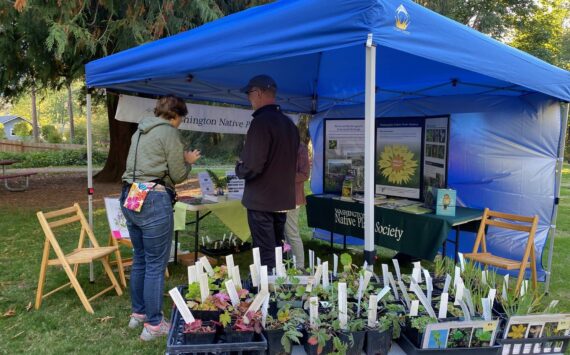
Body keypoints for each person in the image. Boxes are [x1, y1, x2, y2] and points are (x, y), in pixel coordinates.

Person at [120, 95, 201, 341]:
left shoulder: (139, 131)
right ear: (175, 115)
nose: (180, 124)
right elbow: (177, 176)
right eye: (181, 120)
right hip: (153, 198)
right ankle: (154, 325)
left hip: (131, 194)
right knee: (156, 262)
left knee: (141, 257)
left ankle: (139, 314)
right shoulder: (169, 133)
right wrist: (188, 162)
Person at [236, 75, 300, 270]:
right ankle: (279, 289)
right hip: (282, 199)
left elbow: (254, 165)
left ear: (258, 93)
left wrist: (240, 168)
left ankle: (267, 295)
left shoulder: (261, 123)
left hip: (262, 201)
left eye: (249, 94)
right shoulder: (289, 124)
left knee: (265, 252)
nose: (249, 98)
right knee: (277, 248)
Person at [284, 142, 310, 269]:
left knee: (291, 233)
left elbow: (305, 174)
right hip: (276, 197)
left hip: (292, 197)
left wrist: (282, 177)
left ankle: (299, 268)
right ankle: (290, 264)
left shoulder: (300, 148)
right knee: (284, 234)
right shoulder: (277, 144)